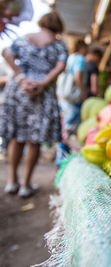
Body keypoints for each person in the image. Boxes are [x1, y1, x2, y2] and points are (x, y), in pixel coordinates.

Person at [0, 11, 68, 197]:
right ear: (58, 26)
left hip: (19, 90)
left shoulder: (24, 39)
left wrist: (22, 77)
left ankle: (11, 181)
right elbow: (60, 66)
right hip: (42, 93)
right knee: (34, 140)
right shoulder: (59, 45)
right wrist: (42, 83)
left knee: (17, 137)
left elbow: (7, 53)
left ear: (42, 23)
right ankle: (26, 184)